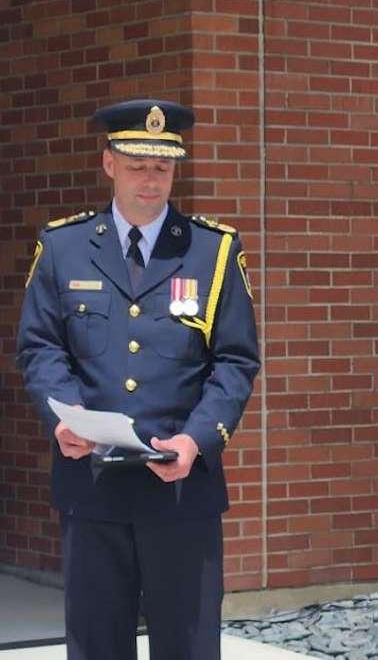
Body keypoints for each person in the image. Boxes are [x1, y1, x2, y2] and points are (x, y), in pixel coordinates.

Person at [17, 99, 261, 659]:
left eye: (162, 167)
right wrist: (65, 419)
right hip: (92, 486)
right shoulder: (63, 247)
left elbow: (235, 361)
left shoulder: (214, 250)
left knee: (188, 647)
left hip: (181, 490)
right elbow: (40, 348)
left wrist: (198, 439)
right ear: (108, 164)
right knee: (98, 646)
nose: (150, 180)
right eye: (135, 165)